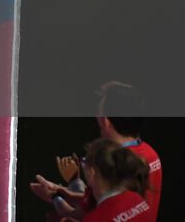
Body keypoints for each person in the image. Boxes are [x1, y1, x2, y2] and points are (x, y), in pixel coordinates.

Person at [30, 81, 163, 219]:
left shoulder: (117, 166)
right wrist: (63, 193)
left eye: (99, 112)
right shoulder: (150, 154)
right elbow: (101, 204)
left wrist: (55, 198)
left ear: (105, 121)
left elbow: (88, 214)